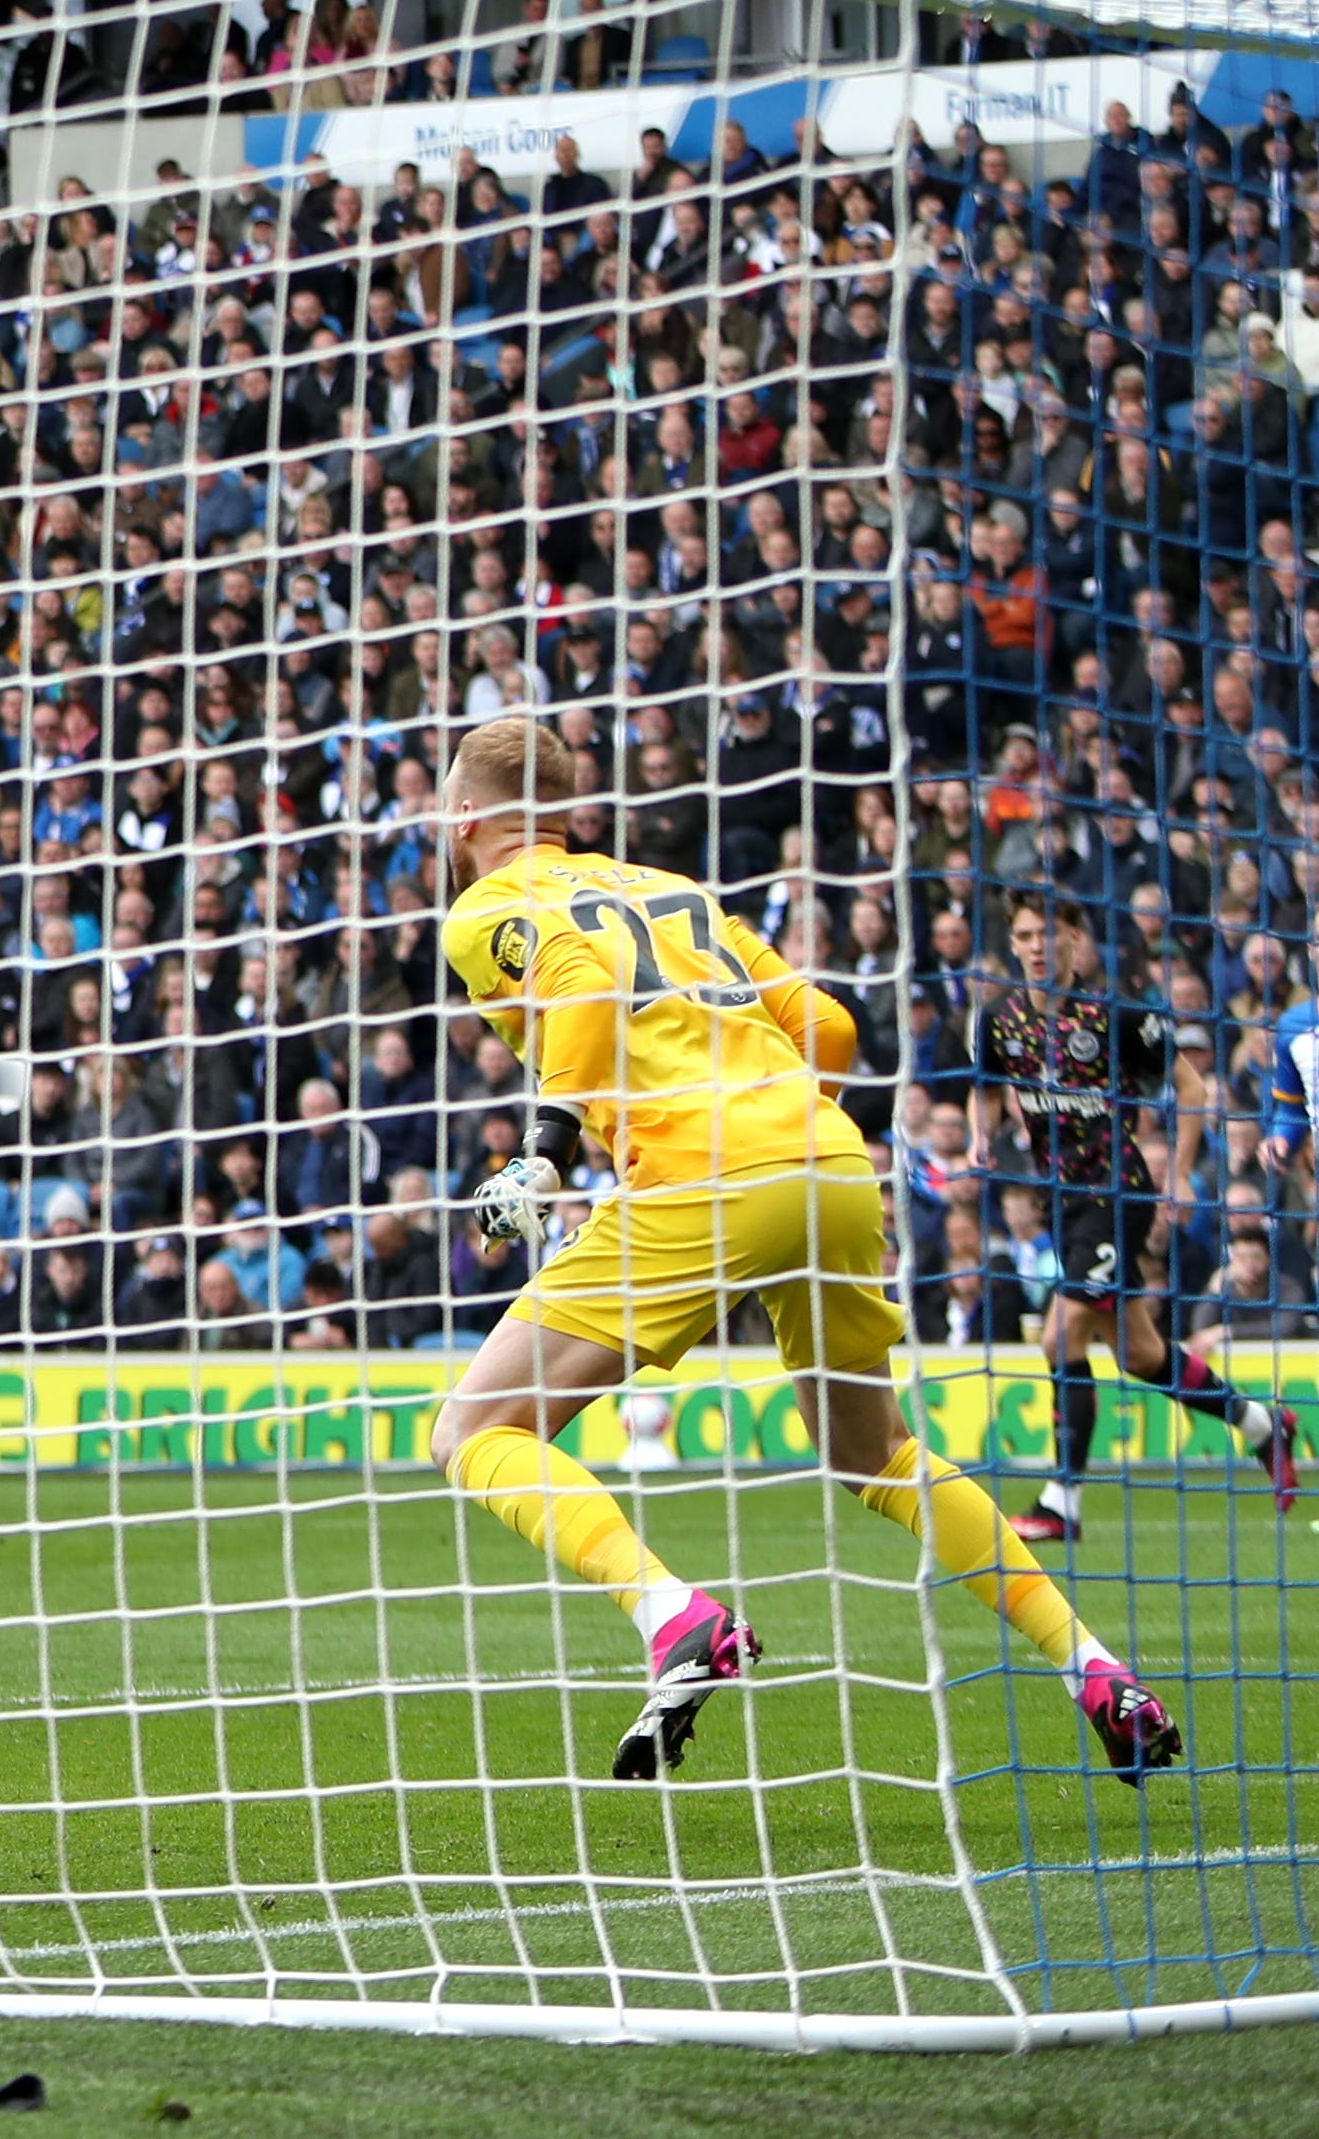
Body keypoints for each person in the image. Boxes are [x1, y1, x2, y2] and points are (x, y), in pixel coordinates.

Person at [427, 715, 1176, 1787]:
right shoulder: (671, 890)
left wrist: (546, 1155)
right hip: (825, 1160)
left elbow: (583, 992)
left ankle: (674, 1616)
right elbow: (826, 1028)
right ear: (569, 811)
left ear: (466, 814)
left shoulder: (488, 908)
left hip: (703, 1173)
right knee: (878, 1454)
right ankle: (1096, 1668)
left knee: (474, 1428)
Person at [1000, 902, 1294, 1540]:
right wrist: (981, 1134)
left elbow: (1191, 1088)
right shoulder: (1002, 1019)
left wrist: (1180, 1172)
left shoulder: (1119, 1014)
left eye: (1048, 932)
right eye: (1024, 935)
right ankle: (1262, 1425)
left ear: (1074, 937)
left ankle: (1061, 1503)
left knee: (1059, 1337)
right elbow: (988, 1086)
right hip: (1061, 1200)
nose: (1037, 946)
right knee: (1139, 1353)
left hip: (1116, 1193)